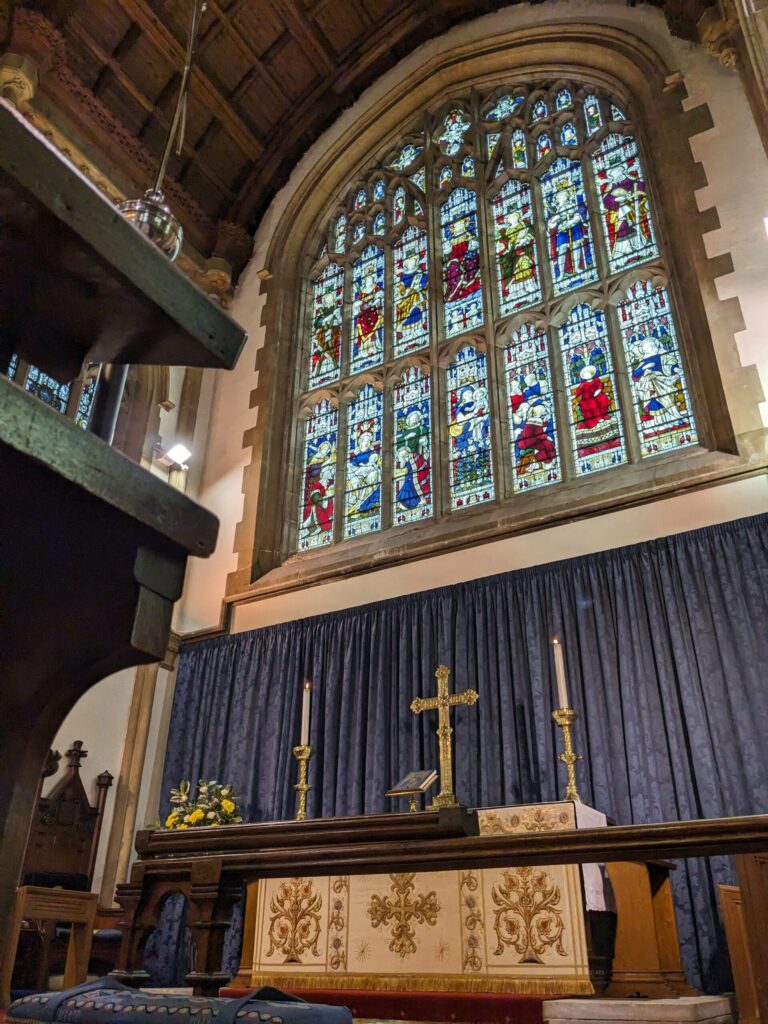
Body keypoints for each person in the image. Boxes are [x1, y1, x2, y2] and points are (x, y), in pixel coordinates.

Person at [601, 162, 651, 264]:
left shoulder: (630, 180)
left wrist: (632, 194)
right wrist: (615, 200)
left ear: (622, 171)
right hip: (619, 213)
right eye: (614, 173)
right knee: (621, 229)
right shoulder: (611, 186)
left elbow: (640, 188)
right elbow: (606, 200)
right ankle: (624, 251)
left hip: (632, 210)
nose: (616, 175)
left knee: (634, 227)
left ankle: (639, 246)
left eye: (618, 172)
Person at [496, 209, 536, 302]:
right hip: (511, 254)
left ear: (518, 216)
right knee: (511, 271)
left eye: (514, 216)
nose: (513, 218)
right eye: (510, 218)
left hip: (524, 249)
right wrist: (505, 246)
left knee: (524, 266)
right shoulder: (508, 230)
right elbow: (504, 242)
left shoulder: (524, 225)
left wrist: (524, 239)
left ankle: (529, 287)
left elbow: (531, 232)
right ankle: (514, 292)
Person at [574, 365, 612, 430]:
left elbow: (600, 386)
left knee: (602, 398)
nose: (587, 376)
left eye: (588, 374)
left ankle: (602, 416)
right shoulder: (583, 384)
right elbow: (578, 392)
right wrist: (575, 396)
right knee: (592, 404)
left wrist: (598, 391)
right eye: (586, 375)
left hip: (596, 395)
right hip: (587, 399)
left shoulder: (595, 380)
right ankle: (596, 420)